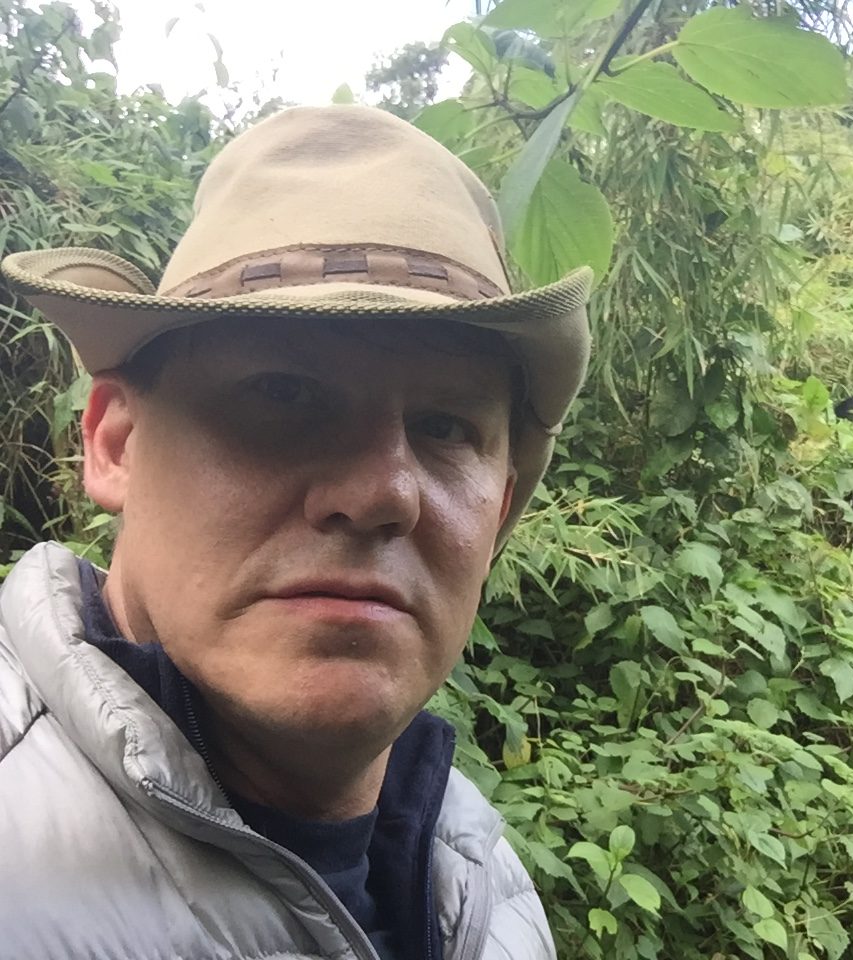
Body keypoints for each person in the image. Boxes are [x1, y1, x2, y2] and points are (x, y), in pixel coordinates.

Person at [0, 105, 591, 960]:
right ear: (117, 443)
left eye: (446, 425)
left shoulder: (491, 896)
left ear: (497, 509)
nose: (384, 492)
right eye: (283, 394)